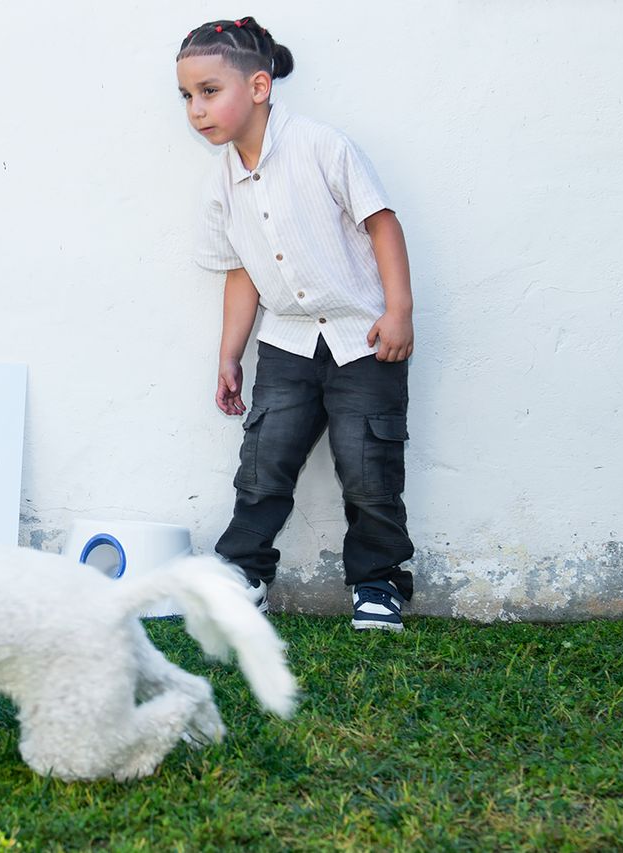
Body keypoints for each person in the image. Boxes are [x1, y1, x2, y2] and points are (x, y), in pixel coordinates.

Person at [177, 17, 416, 631]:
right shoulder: (222, 184)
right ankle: (243, 575)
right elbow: (242, 274)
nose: (196, 109)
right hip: (285, 341)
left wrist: (398, 312)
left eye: (209, 91)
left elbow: (381, 222)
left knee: (368, 470)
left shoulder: (320, 146)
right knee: (263, 464)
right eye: (186, 97)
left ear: (259, 87)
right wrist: (230, 354)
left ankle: (379, 583)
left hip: (363, 339)